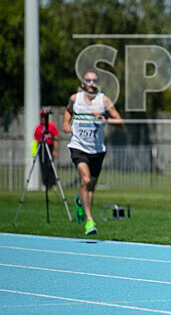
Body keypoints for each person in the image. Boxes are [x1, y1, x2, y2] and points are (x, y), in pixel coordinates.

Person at [63, 71, 124, 235]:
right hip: (78, 145)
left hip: (97, 150)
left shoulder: (104, 101)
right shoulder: (75, 98)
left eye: (94, 80)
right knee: (86, 179)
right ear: (83, 84)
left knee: (90, 187)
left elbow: (120, 122)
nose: (91, 83)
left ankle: (81, 203)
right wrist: (65, 122)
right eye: (88, 80)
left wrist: (105, 120)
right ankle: (90, 221)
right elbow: (68, 110)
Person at [34, 109, 59, 190]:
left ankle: (52, 183)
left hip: (50, 146)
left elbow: (55, 137)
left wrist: (55, 149)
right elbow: (36, 138)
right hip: (41, 146)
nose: (43, 119)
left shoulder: (51, 126)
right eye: (42, 117)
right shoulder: (38, 128)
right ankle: (45, 183)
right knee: (43, 165)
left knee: (50, 164)